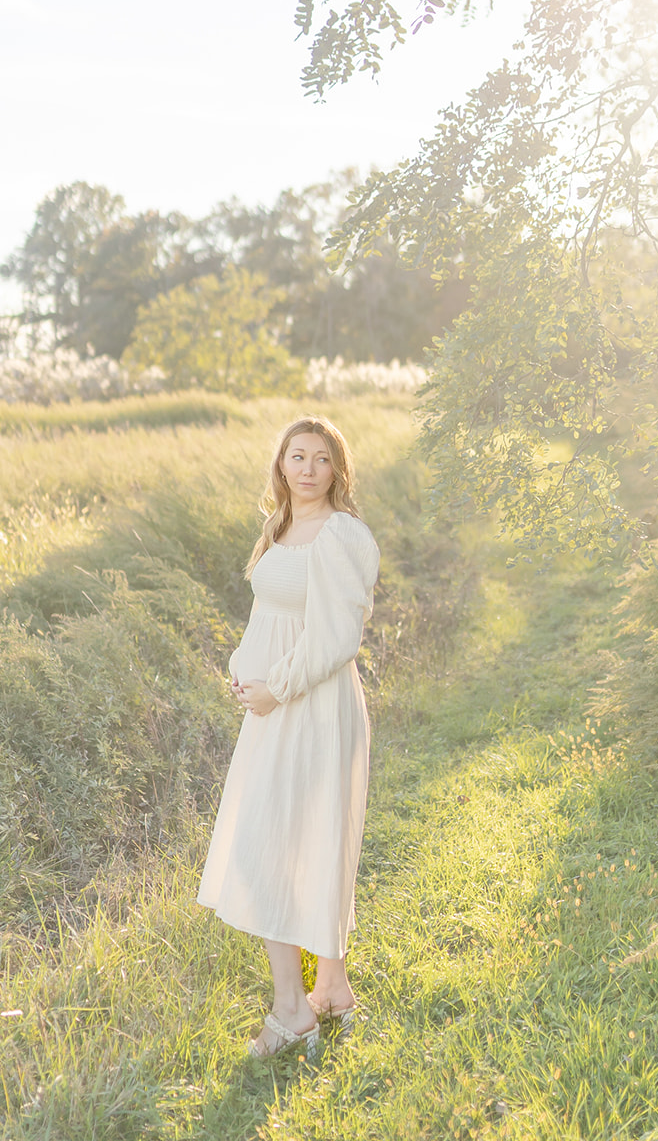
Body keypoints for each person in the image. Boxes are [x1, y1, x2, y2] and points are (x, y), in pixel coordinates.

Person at [196, 415, 380, 1058]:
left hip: (314, 703)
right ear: (281, 464)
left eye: (320, 458)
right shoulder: (278, 529)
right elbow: (266, 617)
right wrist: (243, 674)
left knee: (286, 842)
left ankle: (292, 1010)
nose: (306, 468)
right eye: (296, 455)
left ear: (338, 470)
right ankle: (330, 991)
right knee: (281, 839)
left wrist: (278, 686)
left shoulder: (341, 534)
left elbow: (336, 638)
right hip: (271, 705)